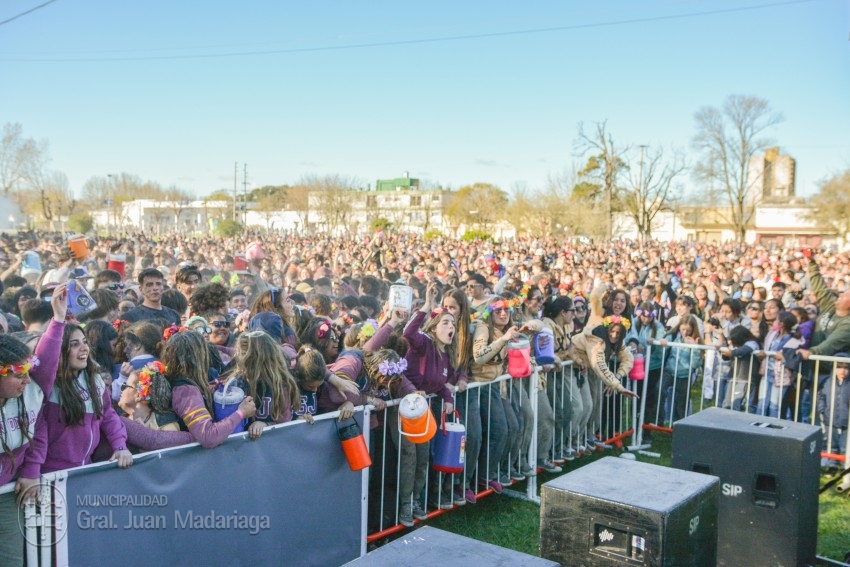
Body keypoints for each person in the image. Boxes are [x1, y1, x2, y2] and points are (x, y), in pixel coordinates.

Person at [0, 285, 66, 566]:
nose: (28, 380)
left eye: (28, 371)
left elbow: (48, 361)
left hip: (6, 496)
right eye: (19, 374)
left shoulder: (29, 392)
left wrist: (31, 470)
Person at [396, 281, 465, 527]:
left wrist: (447, 398)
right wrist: (426, 306)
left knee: (423, 457)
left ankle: (415, 500)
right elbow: (407, 334)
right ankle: (404, 504)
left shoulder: (445, 355)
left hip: (423, 414)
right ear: (434, 327)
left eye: (453, 324)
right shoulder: (423, 343)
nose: (451, 327)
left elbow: (442, 384)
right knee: (409, 458)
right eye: (446, 322)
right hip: (405, 410)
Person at [38, 323, 132, 473]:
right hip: (51, 473)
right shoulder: (47, 385)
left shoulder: (94, 379)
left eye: (85, 342)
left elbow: (108, 415)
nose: (84, 348)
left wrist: (120, 446)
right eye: (74, 344)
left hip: (85, 469)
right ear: (59, 350)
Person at [165, 331, 257, 448]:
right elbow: (208, 436)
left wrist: (209, 391)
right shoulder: (186, 392)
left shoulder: (185, 384)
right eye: (204, 349)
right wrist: (241, 413)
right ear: (196, 357)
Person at [225, 331, 299, 440]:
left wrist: (266, 425)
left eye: (247, 356)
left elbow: (285, 422)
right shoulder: (235, 383)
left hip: (271, 445)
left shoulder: (281, 383)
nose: (242, 358)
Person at [658, 315, 701, 423]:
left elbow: (695, 364)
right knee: (659, 390)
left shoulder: (695, 340)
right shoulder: (672, 336)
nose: (685, 332)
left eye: (688, 330)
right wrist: (662, 343)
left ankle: (678, 426)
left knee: (681, 403)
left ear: (693, 330)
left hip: (685, 374)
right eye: (683, 329)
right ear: (679, 327)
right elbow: (663, 348)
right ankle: (659, 420)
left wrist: (695, 348)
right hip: (670, 370)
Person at [118, 362, 180, 431]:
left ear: (139, 395)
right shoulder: (117, 421)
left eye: (125, 386)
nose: (121, 389)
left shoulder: (165, 423)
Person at [817, 353, 849, 468]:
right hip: (829, 419)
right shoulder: (827, 382)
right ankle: (831, 465)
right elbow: (821, 397)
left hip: (846, 421)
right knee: (831, 444)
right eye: (839, 367)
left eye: (846, 368)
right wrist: (821, 410)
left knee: (845, 445)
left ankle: (844, 465)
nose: (842, 371)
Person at [719, 326, 761, 411]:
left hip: (745, 379)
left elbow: (743, 351)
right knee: (727, 403)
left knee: (737, 404)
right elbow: (726, 357)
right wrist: (723, 349)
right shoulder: (738, 346)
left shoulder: (752, 344)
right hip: (733, 377)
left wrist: (731, 352)